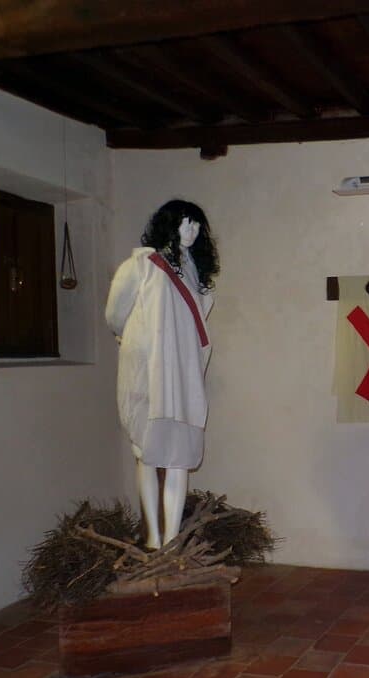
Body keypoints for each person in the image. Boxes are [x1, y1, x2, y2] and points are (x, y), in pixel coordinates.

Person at [105, 200, 219, 549]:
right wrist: (135, 341)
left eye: (197, 226)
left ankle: (172, 539)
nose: (192, 231)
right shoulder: (139, 266)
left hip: (182, 377)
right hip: (148, 373)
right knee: (147, 452)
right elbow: (114, 315)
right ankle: (153, 537)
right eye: (186, 223)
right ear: (169, 225)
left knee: (179, 457)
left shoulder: (196, 275)